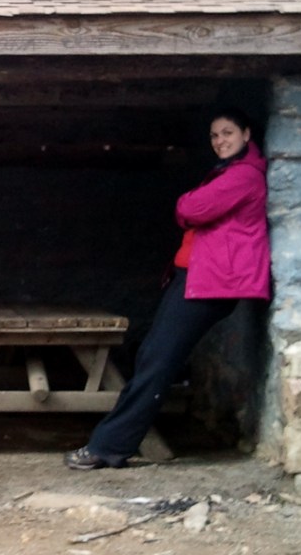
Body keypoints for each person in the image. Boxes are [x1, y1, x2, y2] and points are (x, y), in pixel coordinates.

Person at [65, 108, 271, 471]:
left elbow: (191, 207)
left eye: (227, 133)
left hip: (209, 284)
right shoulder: (229, 172)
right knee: (153, 356)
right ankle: (113, 442)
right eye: (214, 136)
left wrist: (186, 203)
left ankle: (109, 447)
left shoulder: (244, 176)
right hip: (197, 280)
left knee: (158, 359)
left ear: (247, 134)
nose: (220, 141)